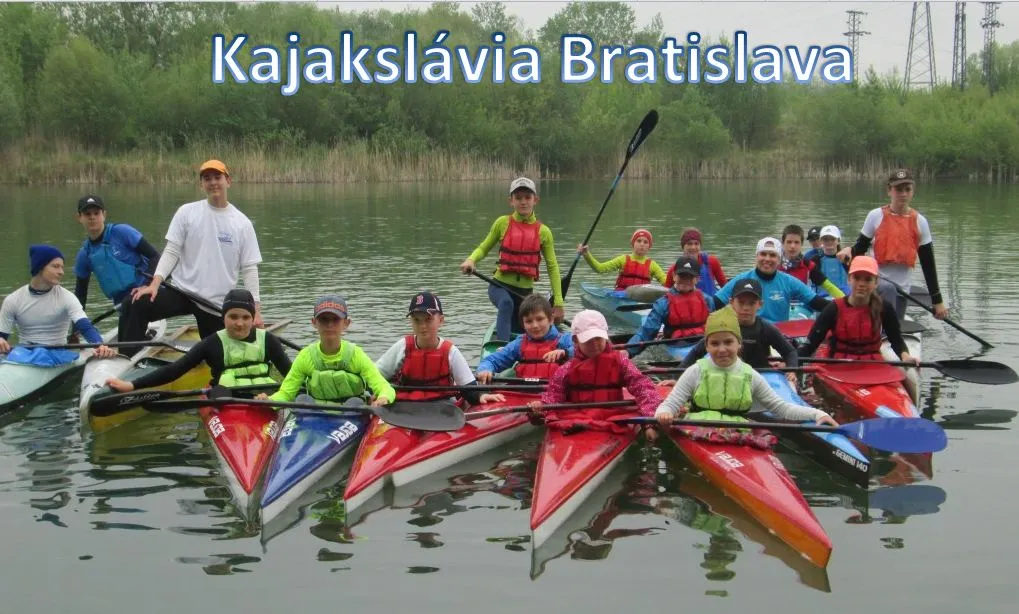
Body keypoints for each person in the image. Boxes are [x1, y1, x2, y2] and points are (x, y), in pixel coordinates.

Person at [130, 159, 265, 339]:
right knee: (135, 304)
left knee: (217, 355)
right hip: (181, 292)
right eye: (207, 178)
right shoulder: (186, 212)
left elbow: (249, 269)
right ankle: (128, 355)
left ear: (228, 181)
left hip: (214, 303)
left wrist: (255, 310)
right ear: (202, 184)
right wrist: (154, 284)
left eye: (218, 177)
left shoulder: (242, 224)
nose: (213, 182)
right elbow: (171, 251)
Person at [654, 306, 838, 427]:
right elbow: (668, 405)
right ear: (707, 346)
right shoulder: (694, 372)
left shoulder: (751, 376)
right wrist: (663, 414)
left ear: (739, 344)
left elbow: (781, 408)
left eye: (728, 342)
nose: (722, 349)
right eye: (715, 344)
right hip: (698, 433)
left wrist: (817, 414)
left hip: (737, 436)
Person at [105, 289, 290, 393]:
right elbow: (174, 370)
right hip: (227, 401)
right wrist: (132, 385)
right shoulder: (212, 343)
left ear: (252, 319)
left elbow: (292, 376)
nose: (239, 324)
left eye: (245, 317)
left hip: (266, 398)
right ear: (223, 318)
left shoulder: (269, 340)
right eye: (233, 317)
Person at [459, 177, 565, 341]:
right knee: (506, 304)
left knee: (525, 328)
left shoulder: (544, 232)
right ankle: (502, 347)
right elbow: (483, 248)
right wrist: (471, 260)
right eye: (518, 198)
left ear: (535, 200)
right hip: (499, 287)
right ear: (511, 201)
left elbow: (553, 267)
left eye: (527, 197)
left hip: (524, 295)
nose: (523, 202)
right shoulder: (502, 223)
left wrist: (558, 302)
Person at [836, 169, 948, 321]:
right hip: (875, 286)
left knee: (894, 322)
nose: (903, 194)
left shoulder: (920, 222)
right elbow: (859, 251)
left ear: (912, 191)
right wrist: (848, 251)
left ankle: (887, 336)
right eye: (898, 189)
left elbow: (928, 265)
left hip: (903, 290)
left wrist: (937, 301)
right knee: (888, 290)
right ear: (889, 190)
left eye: (907, 189)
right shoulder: (875, 216)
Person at [530, 310, 661, 434]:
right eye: (588, 340)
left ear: (605, 336)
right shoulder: (565, 370)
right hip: (575, 419)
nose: (594, 344)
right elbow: (552, 397)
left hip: (613, 418)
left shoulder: (620, 361)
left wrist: (650, 422)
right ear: (575, 340)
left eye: (598, 338)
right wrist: (539, 410)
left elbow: (642, 387)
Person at [375, 291, 504, 405]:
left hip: (442, 408)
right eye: (416, 320)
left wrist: (480, 396)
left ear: (441, 320)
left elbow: (469, 389)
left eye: (428, 319)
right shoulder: (402, 347)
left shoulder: (450, 351)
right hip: (405, 405)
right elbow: (373, 375)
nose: (422, 326)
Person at [268, 295, 395, 406]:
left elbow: (384, 387)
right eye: (324, 319)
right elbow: (286, 393)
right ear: (314, 323)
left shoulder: (356, 355)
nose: (329, 324)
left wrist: (383, 398)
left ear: (346, 323)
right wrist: (269, 400)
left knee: (355, 403)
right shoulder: (305, 356)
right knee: (302, 399)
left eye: (335, 319)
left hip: (351, 414)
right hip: (315, 415)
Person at [72, 194, 162, 344]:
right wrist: (75, 329)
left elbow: (155, 257)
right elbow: (80, 295)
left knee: (127, 347)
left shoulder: (122, 232)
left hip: (146, 295)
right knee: (125, 346)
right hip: (123, 306)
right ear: (79, 218)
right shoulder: (84, 254)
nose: (92, 217)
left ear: (104, 215)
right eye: (87, 214)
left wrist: (147, 285)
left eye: (96, 213)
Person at [796, 256, 918, 366]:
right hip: (838, 365)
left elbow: (896, 339)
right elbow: (810, 345)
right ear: (849, 279)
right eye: (857, 278)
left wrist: (905, 356)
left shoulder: (884, 308)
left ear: (876, 283)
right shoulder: (833, 309)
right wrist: (791, 362)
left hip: (872, 364)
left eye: (868, 279)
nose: (861, 284)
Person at [1, 245, 117, 360]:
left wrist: (100, 345)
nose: (61, 272)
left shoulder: (67, 297)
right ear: (40, 268)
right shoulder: (13, 300)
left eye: (62, 267)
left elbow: (84, 326)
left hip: (57, 354)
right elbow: (2, 336)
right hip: (24, 353)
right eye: (56, 266)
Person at [678, 278, 800, 387]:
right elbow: (696, 352)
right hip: (726, 375)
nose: (746, 308)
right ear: (731, 302)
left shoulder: (766, 328)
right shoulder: (721, 327)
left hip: (761, 377)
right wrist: (678, 377)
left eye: (751, 303)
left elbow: (790, 352)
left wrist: (791, 370)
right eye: (741, 302)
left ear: (760, 304)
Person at [713, 237, 830, 323]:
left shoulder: (789, 281)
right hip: (747, 332)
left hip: (778, 336)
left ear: (779, 260)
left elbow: (817, 302)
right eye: (763, 254)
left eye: (772, 255)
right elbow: (715, 304)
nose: (767, 259)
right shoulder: (741, 279)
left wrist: (844, 307)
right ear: (756, 257)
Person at [626, 255, 712, 357]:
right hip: (678, 344)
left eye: (690, 277)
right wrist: (628, 351)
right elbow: (648, 330)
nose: (685, 280)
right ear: (674, 276)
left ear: (697, 279)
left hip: (704, 342)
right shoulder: (663, 303)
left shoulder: (707, 300)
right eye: (682, 276)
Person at [476, 294, 574, 382]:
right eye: (529, 321)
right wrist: (485, 369)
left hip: (554, 396)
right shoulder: (519, 343)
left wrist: (565, 352)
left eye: (540, 319)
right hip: (523, 393)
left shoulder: (564, 340)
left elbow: (583, 351)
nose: (535, 325)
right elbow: (492, 360)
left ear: (551, 319)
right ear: (523, 324)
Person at [577, 228, 667, 291]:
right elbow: (600, 268)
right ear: (633, 243)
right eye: (638, 241)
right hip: (621, 297)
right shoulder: (623, 259)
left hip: (641, 301)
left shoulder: (652, 265)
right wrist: (587, 254)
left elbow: (666, 282)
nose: (642, 244)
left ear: (649, 246)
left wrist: (678, 279)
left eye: (645, 242)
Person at [778, 224, 845, 299]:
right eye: (789, 242)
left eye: (796, 242)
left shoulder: (808, 265)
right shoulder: (774, 264)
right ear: (783, 243)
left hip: (802, 306)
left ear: (801, 244)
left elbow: (829, 287)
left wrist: (846, 301)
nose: (793, 246)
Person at [664, 228, 727, 297]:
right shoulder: (674, 269)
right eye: (689, 244)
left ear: (700, 246)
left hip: (711, 306)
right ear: (683, 246)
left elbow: (725, 287)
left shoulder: (712, 262)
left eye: (696, 244)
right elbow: (666, 295)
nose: (693, 247)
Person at [808, 225, 850, 297]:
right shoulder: (815, 260)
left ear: (838, 241)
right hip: (822, 300)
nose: (829, 242)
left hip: (844, 298)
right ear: (821, 241)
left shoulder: (846, 258)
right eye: (825, 239)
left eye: (832, 239)